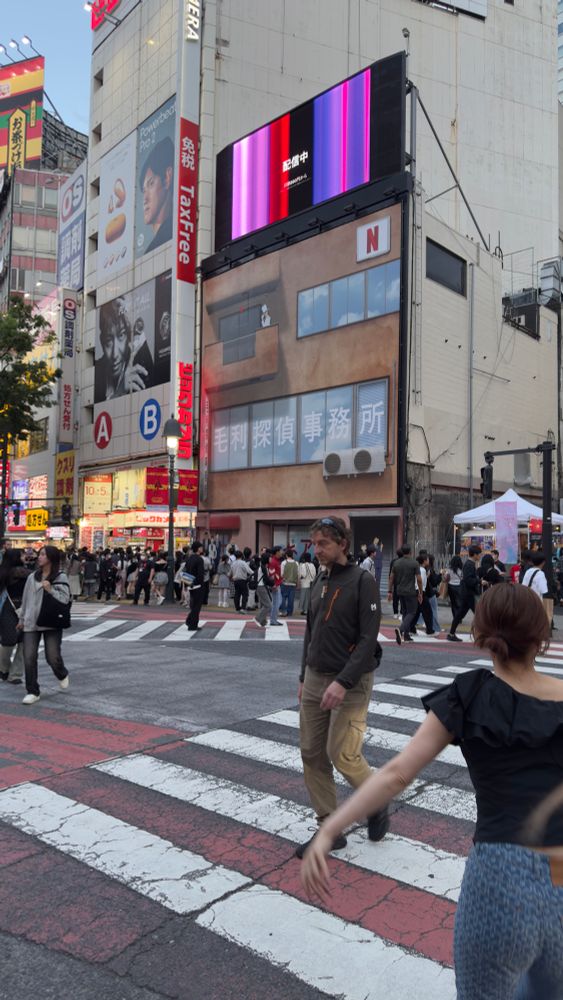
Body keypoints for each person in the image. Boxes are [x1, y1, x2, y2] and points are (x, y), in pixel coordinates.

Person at [301, 584, 563, 1000]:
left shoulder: (472, 693)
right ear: (541, 637)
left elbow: (398, 774)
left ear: (482, 637)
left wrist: (333, 824)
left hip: (500, 875)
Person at [296, 516, 388, 859]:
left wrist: (342, 681)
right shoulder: (320, 579)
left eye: (324, 544)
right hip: (316, 677)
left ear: (342, 545)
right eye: (315, 544)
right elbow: (310, 631)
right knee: (311, 752)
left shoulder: (362, 581)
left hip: (352, 680)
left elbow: (368, 639)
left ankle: (375, 800)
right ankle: (329, 828)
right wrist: (303, 676)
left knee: (342, 753)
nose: (317, 550)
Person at [18, 546, 71, 706]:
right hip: (31, 622)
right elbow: (25, 599)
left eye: (42, 554)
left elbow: (65, 599)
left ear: (51, 558)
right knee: (29, 657)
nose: (38, 557)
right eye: (39, 554)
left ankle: (61, 673)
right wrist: (21, 619)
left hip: (51, 622)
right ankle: (32, 691)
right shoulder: (32, 577)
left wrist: (51, 590)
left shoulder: (60, 577)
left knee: (52, 657)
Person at [139, 136, 174, 254]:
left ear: (167, 177)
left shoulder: (173, 232)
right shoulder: (155, 245)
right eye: (144, 190)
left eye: (151, 183)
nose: (145, 199)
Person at [0, 548, 29, 685]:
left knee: (12, 641)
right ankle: (10, 672)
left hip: (18, 608)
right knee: (17, 641)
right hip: (14, 607)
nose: (25, 556)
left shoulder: (4, 572)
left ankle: (8, 671)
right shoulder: (24, 572)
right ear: (16, 557)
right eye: (22, 554)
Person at [387, 544, 423, 645]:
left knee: (405, 612)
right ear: (410, 552)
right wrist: (420, 592)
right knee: (412, 612)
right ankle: (401, 629)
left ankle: (406, 635)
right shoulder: (414, 563)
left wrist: (390, 591)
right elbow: (419, 579)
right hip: (410, 591)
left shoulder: (396, 563)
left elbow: (391, 578)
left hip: (399, 591)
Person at [447, 545, 482, 642]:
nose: (480, 556)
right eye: (479, 554)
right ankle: (481, 635)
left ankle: (451, 633)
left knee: (459, 614)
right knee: (480, 614)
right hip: (469, 594)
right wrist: (479, 581)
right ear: (475, 554)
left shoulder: (469, 564)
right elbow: (468, 580)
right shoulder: (469, 565)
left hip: (466, 593)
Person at [185, 541, 205, 631]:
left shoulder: (189, 559)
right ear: (198, 548)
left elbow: (185, 571)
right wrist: (201, 584)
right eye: (201, 547)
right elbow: (200, 574)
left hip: (189, 583)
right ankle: (192, 625)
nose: (202, 548)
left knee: (194, 605)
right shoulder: (199, 559)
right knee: (197, 606)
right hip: (198, 585)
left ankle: (189, 620)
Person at [254, 552, 273, 628]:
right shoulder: (263, 567)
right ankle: (258, 618)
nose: (271, 559)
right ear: (266, 559)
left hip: (261, 587)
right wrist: (273, 582)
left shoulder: (263, 566)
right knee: (268, 605)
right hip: (261, 587)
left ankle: (263, 622)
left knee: (264, 605)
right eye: (269, 557)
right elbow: (266, 579)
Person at [279, 550, 299, 617]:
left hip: (285, 582)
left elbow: (281, 574)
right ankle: (289, 612)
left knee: (283, 597)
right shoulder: (296, 563)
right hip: (293, 583)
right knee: (291, 598)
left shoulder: (283, 563)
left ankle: (283, 611)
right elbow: (298, 574)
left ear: (286, 555)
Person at [268, 546, 284, 625]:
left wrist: (280, 579)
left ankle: (273, 619)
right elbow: (271, 573)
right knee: (276, 602)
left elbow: (275, 573)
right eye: (281, 551)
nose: (282, 552)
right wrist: (274, 584)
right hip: (275, 585)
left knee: (277, 602)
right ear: (277, 552)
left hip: (277, 584)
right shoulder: (274, 561)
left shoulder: (276, 561)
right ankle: (273, 620)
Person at [445, 554, 463, 621]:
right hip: (459, 587)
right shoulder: (461, 569)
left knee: (453, 603)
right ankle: (459, 617)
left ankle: (455, 617)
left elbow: (446, 578)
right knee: (460, 602)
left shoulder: (449, 569)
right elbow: (463, 578)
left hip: (451, 587)